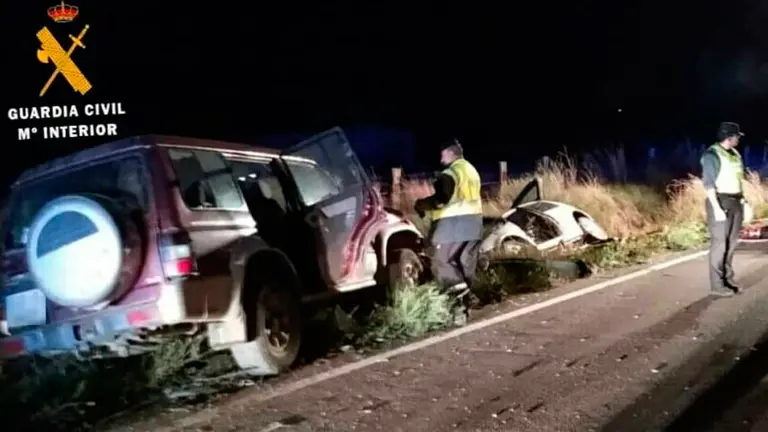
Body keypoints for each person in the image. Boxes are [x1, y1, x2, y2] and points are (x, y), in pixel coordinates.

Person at [414, 138, 483, 325]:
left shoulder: (450, 172)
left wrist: (421, 205)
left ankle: (461, 306)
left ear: (450, 153)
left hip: (452, 226)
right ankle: (467, 303)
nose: (440, 156)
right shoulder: (470, 170)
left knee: (441, 262)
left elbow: (441, 200)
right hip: (474, 224)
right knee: (463, 264)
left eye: (442, 153)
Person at [700, 121, 747, 298]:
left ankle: (728, 279)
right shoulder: (712, 155)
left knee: (731, 243)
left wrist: (743, 201)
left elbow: (737, 179)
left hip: (735, 201)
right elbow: (709, 184)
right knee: (720, 244)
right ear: (729, 137)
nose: (738, 139)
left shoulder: (734, 154)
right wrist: (717, 208)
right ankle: (717, 285)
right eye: (737, 136)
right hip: (720, 201)